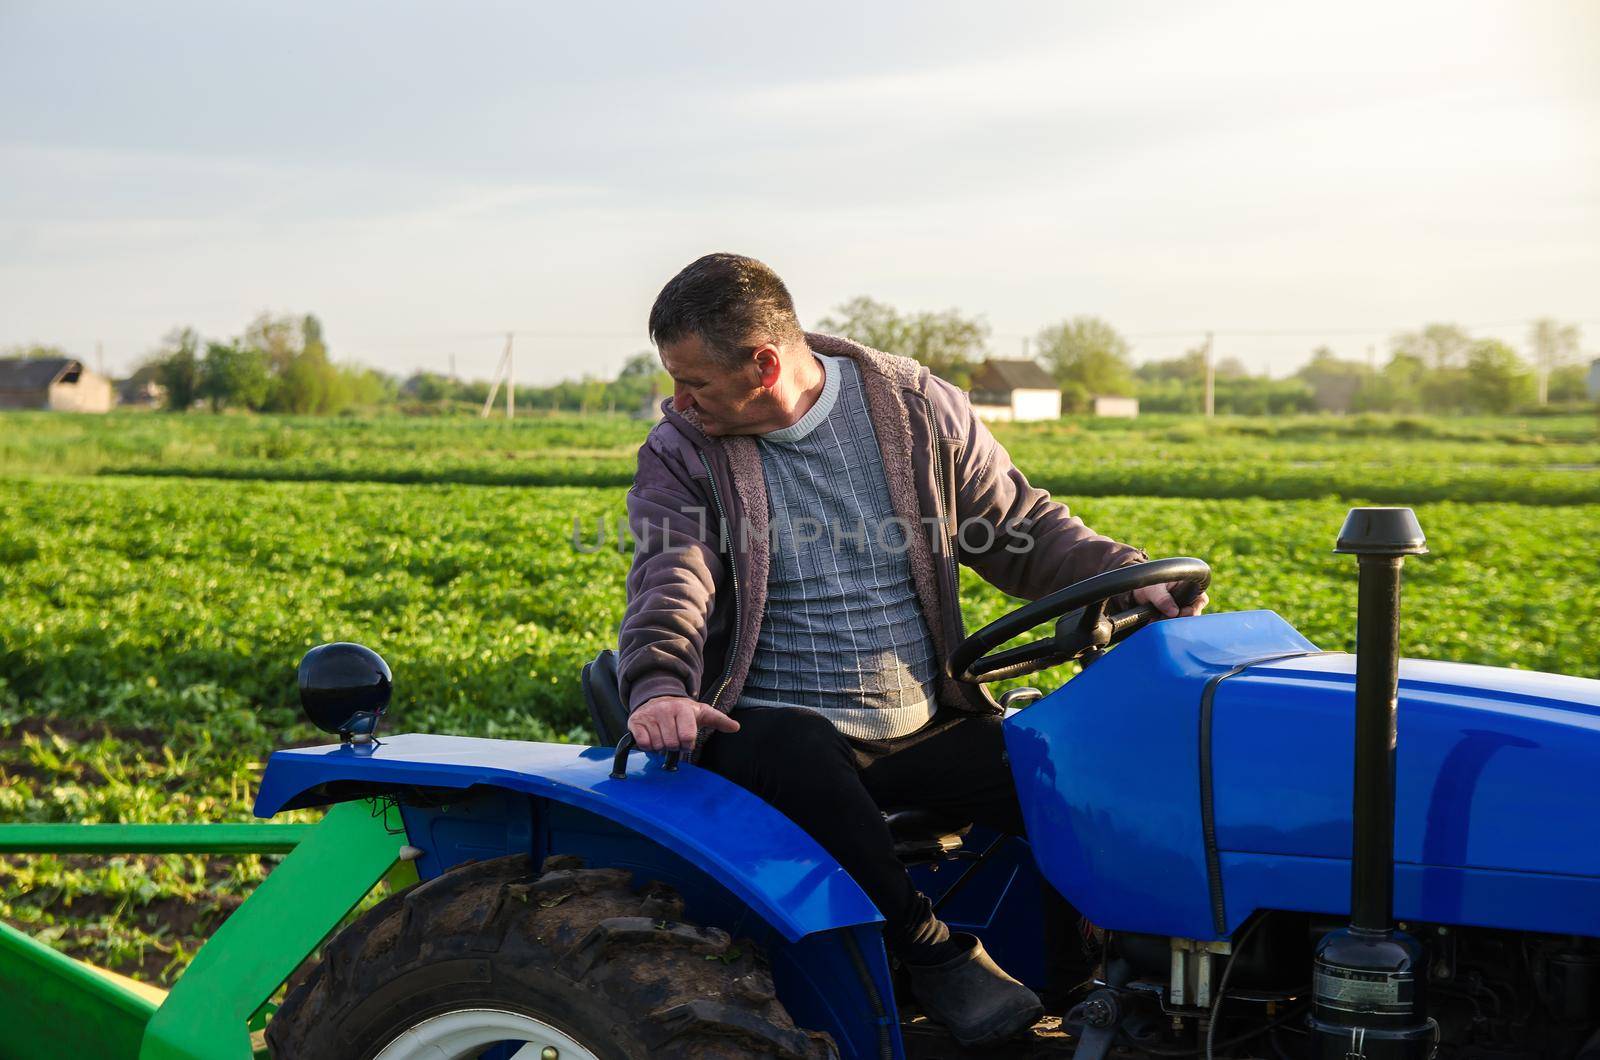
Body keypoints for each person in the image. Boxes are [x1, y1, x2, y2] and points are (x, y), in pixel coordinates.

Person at [618, 253, 1206, 1049]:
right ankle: (927, 952)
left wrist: (1120, 572)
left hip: (920, 717)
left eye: (696, 384)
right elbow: (672, 575)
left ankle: (1085, 994)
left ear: (764, 364)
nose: (678, 401)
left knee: (1073, 785)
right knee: (791, 747)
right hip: (774, 725)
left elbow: (1016, 524)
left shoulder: (910, 406)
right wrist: (658, 684)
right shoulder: (683, 450)